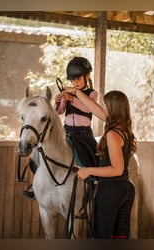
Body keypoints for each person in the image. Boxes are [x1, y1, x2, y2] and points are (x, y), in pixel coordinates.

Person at [63, 87, 137, 239]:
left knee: (101, 237)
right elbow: (94, 109)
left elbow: (117, 169)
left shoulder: (112, 134)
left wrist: (88, 171)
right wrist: (76, 93)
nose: (101, 108)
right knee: (119, 237)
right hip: (125, 188)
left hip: (111, 190)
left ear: (112, 109)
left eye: (104, 105)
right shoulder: (123, 129)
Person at [23, 56, 99, 199]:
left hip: (84, 133)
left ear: (87, 76)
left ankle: (95, 183)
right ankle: (37, 186)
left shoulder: (92, 94)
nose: (75, 82)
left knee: (93, 154)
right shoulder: (69, 92)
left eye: (78, 78)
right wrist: (59, 102)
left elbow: (89, 109)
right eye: (72, 79)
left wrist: (73, 99)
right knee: (41, 154)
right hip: (66, 131)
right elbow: (59, 112)